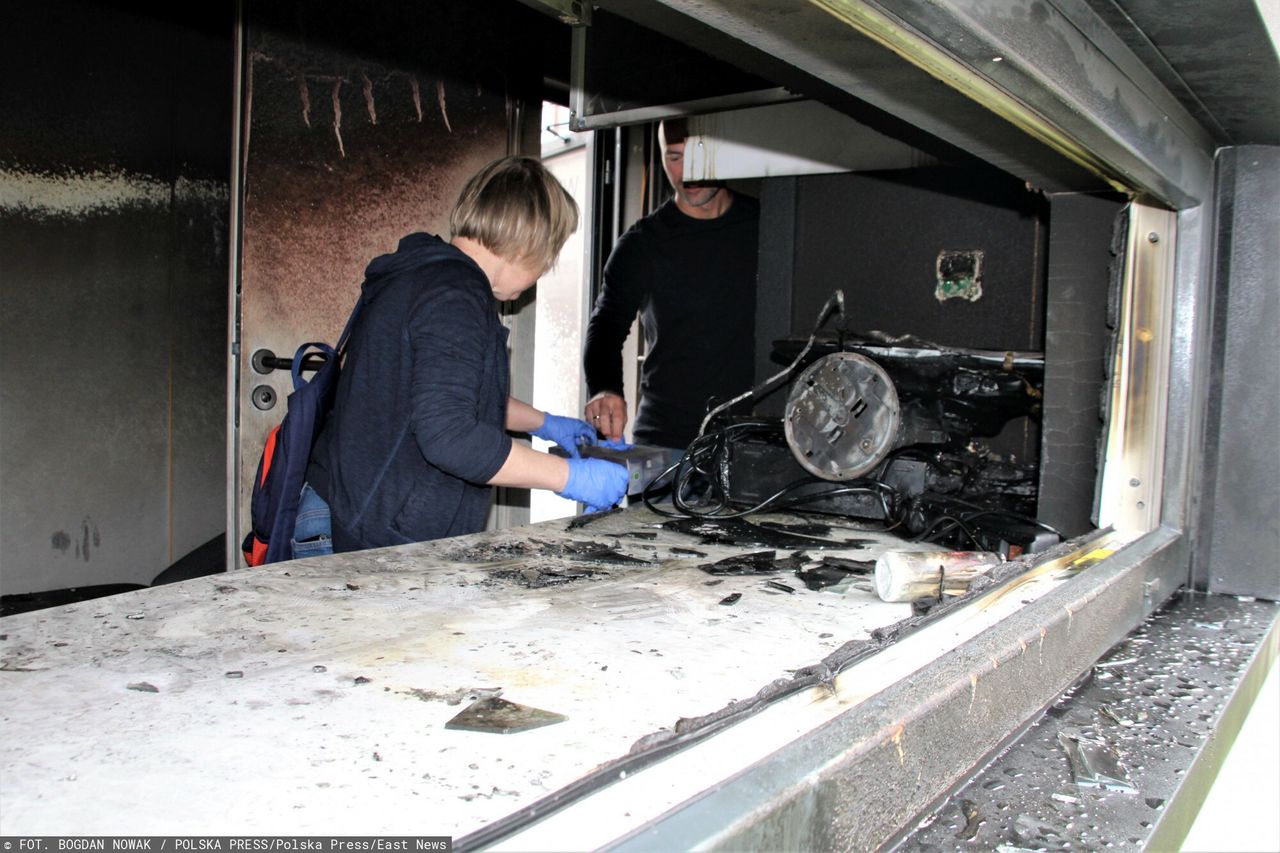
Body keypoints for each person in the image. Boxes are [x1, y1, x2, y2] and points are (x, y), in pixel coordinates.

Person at [305, 155, 629, 554]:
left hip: (345, 507)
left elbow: (445, 395)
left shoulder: (425, 274)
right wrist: (570, 477)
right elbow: (450, 437)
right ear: (530, 241)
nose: (544, 271)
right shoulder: (456, 296)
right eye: (549, 256)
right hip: (363, 528)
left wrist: (546, 424)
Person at [583, 118, 760, 451]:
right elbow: (605, 327)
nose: (687, 173)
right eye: (675, 157)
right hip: (667, 442)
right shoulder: (643, 243)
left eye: (698, 157)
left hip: (754, 438)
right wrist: (605, 388)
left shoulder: (766, 224)